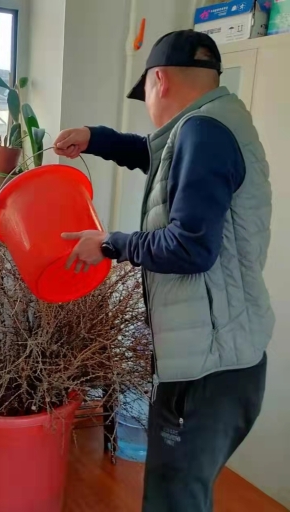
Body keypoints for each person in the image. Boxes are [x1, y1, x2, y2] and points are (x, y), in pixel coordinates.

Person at [55, 30, 274, 512]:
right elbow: (155, 154)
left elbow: (190, 247)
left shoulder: (203, 132)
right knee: (181, 495)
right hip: (222, 356)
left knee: (174, 500)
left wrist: (109, 244)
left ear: (159, 80)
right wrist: (96, 138)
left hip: (208, 369)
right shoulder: (217, 122)